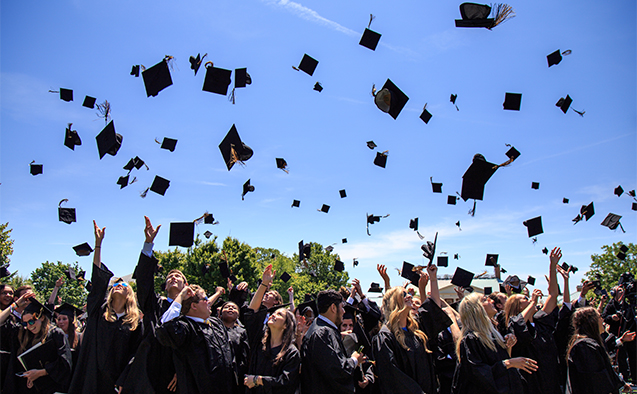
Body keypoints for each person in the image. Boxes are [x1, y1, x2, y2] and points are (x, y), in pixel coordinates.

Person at [68, 220, 144, 394]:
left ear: (130, 295)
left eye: (124, 285)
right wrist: (98, 245)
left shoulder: (134, 323)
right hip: (90, 376)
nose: (119, 285)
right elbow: (97, 280)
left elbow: (135, 354)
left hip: (115, 382)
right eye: (116, 284)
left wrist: (124, 379)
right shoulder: (98, 311)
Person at [372, 265, 451, 394]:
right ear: (394, 302)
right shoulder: (386, 337)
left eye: (408, 293)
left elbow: (433, 309)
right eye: (403, 294)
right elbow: (394, 377)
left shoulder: (416, 329)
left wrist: (433, 279)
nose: (409, 296)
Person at [156, 285, 236, 394]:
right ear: (194, 306)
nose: (209, 302)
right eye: (205, 299)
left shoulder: (216, 324)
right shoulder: (185, 328)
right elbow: (165, 327)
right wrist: (181, 295)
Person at [452, 292, 536, 394]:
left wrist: (508, 345)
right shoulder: (471, 339)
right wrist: (509, 363)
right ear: (477, 309)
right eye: (485, 300)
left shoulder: (493, 333)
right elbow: (478, 374)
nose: (492, 301)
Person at [505, 247, 561, 394]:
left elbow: (553, 295)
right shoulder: (514, 324)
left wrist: (552, 266)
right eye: (525, 299)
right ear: (517, 306)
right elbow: (518, 323)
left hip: (550, 376)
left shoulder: (540, 320)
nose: (529, 299)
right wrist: (533, 301)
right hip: (531, 381)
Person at [0, 295, 72, 394]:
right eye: (25, 323)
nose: (29, 326)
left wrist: (39, 373)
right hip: (24, 388)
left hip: (48, 388)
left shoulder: (55, 333)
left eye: (31, 321)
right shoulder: (22, 334)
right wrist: (15, 305)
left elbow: (64, 363)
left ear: (42, 317)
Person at [301, 289, 365, 394]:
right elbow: (337, 370)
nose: (344, 311)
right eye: (342, 307)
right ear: (333, 308)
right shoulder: (323, 333)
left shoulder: (319, 327)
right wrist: (354, 360)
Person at [566, 306, 631, 393]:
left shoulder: (591, 344)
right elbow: (596, 382)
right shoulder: (584, 347)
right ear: (592, 322)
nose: (603, 320)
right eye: (599, 317)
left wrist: (621, 384)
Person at [244, 307, 300, 394]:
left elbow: (287, 383)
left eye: (279, 314)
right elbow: (252, 313)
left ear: (286, 325)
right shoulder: (259, 345)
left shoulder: (291, 352)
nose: (273, 315)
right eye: (273, 313)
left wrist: (258, 380)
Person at [220, 301, 250, 386]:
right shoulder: (214, 328)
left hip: (235, 376)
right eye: (227, 307)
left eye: (234, 308)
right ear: (220, 313)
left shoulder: (242, 332)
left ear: (238, 316)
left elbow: (244, 355)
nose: (230, 308)